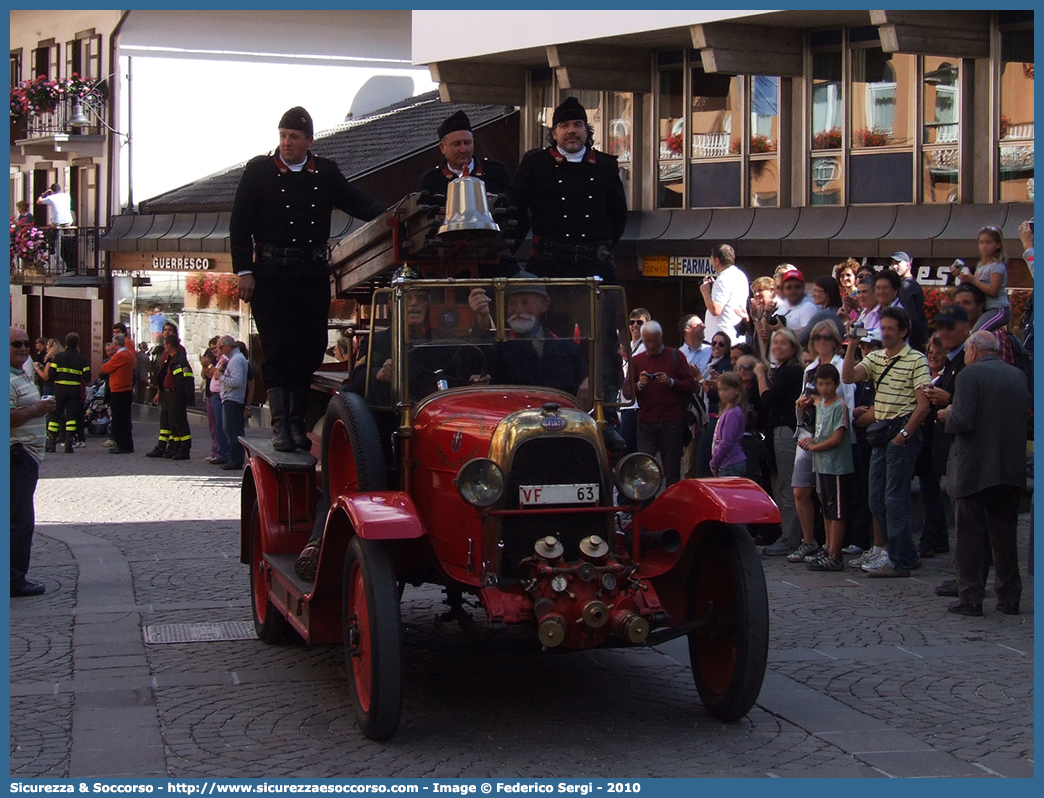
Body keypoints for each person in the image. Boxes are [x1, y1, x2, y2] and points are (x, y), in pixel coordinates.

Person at [230, 105, 386, 453]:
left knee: (310, 347)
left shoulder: (325, 174)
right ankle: (281, 426)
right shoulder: (258, 173)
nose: (287, 143)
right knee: (278, 348)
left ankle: (298, 424)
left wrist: (389, 214)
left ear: (308, 141)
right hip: (271, 275)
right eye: (283, 136)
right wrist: (244, 271)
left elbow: (354, 200)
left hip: (310, 275)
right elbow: (239, 225)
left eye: (294, 137)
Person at [939, 331, 1028, 616]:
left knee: (969, 536)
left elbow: (962, 420)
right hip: (1009, 467)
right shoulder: (1017, 376)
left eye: (966, 351)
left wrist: (946, 414)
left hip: (974, 468)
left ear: (973, 351)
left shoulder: (969, 376)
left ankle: (971, 597)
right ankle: (1009, 596)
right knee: (1004, 536)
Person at [842, 307, 931, 577]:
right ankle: (902, 553)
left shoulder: (917, 360)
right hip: (882, 433)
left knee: (895, 499)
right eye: (884, 327)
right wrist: (853, 345)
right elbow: (847, 377)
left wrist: (904, 436)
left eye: (891, 328)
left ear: (903, 331)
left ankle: (901, 559)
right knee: (876, 499)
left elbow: (923, 404)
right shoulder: (877, 357)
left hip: (900, 431)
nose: (886, 332)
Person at [505, 97, 627, 281]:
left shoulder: (605, 165)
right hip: (548, 267)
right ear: (554, 133)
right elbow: (513, 207)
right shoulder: (536, 163)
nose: (571, 131)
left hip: (595, 267)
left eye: (577, 125)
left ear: (586, 131)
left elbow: (619, 216)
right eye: (564, 125)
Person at [788, 321, 855, 564]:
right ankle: (810, 542)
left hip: (829, 439)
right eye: (817, 338)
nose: (822, 342)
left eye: (827, 337)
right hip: (808, 433)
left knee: (825, 495)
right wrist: (802, 406)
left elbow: (844, 405)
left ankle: (830, 548)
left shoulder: (841, 367)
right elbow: (809, 403)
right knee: (800, 489)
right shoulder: (810, 369)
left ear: (835, 340)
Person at [470, 276, 587, 396]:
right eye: (512, 304)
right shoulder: (500, 345)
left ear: (544, 305)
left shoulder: (567, 348)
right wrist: (482, 318)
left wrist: (588, 381)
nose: (518, 310)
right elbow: (477, 363)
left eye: (525, 303)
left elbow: (590, 378)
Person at [10, 327, 56, 597]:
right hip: (16, 455)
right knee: (20, 520)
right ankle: (14, 580)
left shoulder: (20, 375)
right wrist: (35, 410)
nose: (23, 348)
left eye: (26, 343)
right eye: (16, 344)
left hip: (25, 456)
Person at [797, 363, 854, 571]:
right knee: (828, 511)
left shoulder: (839, 406)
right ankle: (828, 546)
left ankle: (835, 553)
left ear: (836, 384)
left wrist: (814, 446)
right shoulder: (821, 404)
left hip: (836, 465)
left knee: (837, 511)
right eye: (820, 384)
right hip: (822, 465)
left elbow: (837, 438)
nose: (824, 388)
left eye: (828, 384)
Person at [627, 320, 697, 487]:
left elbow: (690, 385)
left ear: (661, 338)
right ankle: (646, 507)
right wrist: (640, 384)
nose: (650, 345)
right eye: (647, 341)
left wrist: (671, 382)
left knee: (672, 469)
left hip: (672, 421)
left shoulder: (675, 356)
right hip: (646, 421)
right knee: (645, 468)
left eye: (654, 341)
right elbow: (626, 392)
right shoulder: (636, 361)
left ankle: (671, 506)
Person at [755, 328, 805, 554]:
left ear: (793, 347)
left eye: (783, 343)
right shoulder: (781, 371)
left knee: (787, 485)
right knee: (779, 483)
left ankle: (791, 538)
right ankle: (787, 534)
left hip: (786, 431)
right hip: (776, 431)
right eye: (775, 343)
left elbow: (769, 400)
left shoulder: (792, 372)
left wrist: (760, 376)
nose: (778, 347)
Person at [845, 329, 886, 565]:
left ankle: (881, 547)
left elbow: (872, 414)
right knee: (865, 495)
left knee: (878, 496)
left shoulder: (882, 376)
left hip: (878, 441)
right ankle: (870, 544)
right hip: (862, 442)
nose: (868, 351)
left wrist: (862, 416)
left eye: (873, 347)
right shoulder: (862, 377)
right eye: (864, 347)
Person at [145, 334, 194, 460]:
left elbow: (186, 380)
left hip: (176, 395)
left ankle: (184, 449)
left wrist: (183, 396)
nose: (164, 347)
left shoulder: (180, 360)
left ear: (169, 345)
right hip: (169, 394)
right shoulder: (171, 359)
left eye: (165, 344)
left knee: (180, 423)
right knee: (172, 423)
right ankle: (176, 447)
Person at [952, 226, 1010, 332]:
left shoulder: (997, 266)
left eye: (988, 242)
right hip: (986, 309)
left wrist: (973, 280)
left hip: (998, 309)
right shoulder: (981, 266)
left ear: (998, 245)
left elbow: (993, 291)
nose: (984, 246)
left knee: (976, 333)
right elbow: (977, 288)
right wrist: (964, 277)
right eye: (981, 242)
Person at [694, 331, 734, 478]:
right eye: (714, 343)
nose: (716, 346)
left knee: (704, 466)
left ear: (727, 348)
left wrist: (700, 380)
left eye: (721, 344)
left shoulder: (725, 366)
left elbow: (716, 394)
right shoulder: (711, 364)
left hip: (715, 418)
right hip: (707, 418)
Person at [46, 332, 90, 454]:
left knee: (55, 416)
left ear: (65, 343)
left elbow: (50, 374)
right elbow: (87, 377)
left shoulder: (58, 357)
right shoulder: (82, 359)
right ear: (77, 344)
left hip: (60, 389)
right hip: (74, 390)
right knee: (71, 417)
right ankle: (68, 444)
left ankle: (51, 444)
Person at [700, 244, 749, 343]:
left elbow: (715, 310)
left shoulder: (723, 279)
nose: (711, 262)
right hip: (733, 336)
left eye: (712, 259)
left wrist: (706, 292)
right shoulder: (740, 275)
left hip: (721, 341)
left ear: (717, 261)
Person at [619, 308, 652, 453]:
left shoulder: (648, 347)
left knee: (628, 449)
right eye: (632, 322)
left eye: (640, 322)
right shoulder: (628, 347)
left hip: (637, 406)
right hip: (624, 404)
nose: (635, 325)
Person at [217, 335, 249, 471]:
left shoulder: (236, 360)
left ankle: (236, 460)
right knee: (230, 430)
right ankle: (235, 458)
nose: (220, 350)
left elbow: (236, 381)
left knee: (232, 431)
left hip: (233, 400)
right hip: (230, 398)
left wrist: (221, 377)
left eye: (221, 347)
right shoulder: (233, 359)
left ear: (228, 346)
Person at [101, 333, 135, 454]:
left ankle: (122, 445)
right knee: (125, 419)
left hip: (119, 390)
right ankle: (126, 444)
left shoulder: (120, 355)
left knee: (119, 420)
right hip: (126, 389)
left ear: (115, 344)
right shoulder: (129, 355)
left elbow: (105, 368)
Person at [709, 371, 747, 478]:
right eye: (720, 389)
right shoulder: (727, 411)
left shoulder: (733, 413)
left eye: (726, 389)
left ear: (737, 391)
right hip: (725, 462)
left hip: (730, 463)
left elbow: (727, 441)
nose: (722, 393)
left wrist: (714, 462)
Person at [889, 252, 929, 350]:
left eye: (898, 263)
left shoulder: (906, 286)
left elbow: (911, 317)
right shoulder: (907, 284)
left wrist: (923, 340)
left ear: (908, 264)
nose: (894, 266)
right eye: (892, 263)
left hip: (912, 342)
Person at [798, 275, 847, 348]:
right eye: (813, 290)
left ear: (828, 293)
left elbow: (800, 339)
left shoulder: (823, 315)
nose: (813, 295)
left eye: (816, 291)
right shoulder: (838, 310)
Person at [748, 276, 778, 362]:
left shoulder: (777, 310)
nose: (756, 294)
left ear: (772, 292)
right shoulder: (759, 310)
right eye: (754, 292)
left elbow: (764, 338)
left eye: (760, 290)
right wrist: (754, 318)